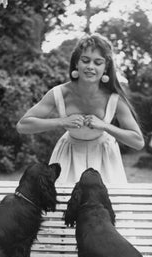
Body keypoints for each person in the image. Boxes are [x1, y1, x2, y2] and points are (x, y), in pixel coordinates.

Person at [16, 33, 144, 186]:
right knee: (63, 206)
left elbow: (138, 141)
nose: (90, 67)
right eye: (85, 60)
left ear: (105, 68)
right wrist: (61, 121)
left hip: (105, 159)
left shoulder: (115, 99)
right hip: (67, 157)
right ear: (76, 63)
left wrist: (104, 126)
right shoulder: (58, 93)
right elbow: (23, 126)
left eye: (98, 62)